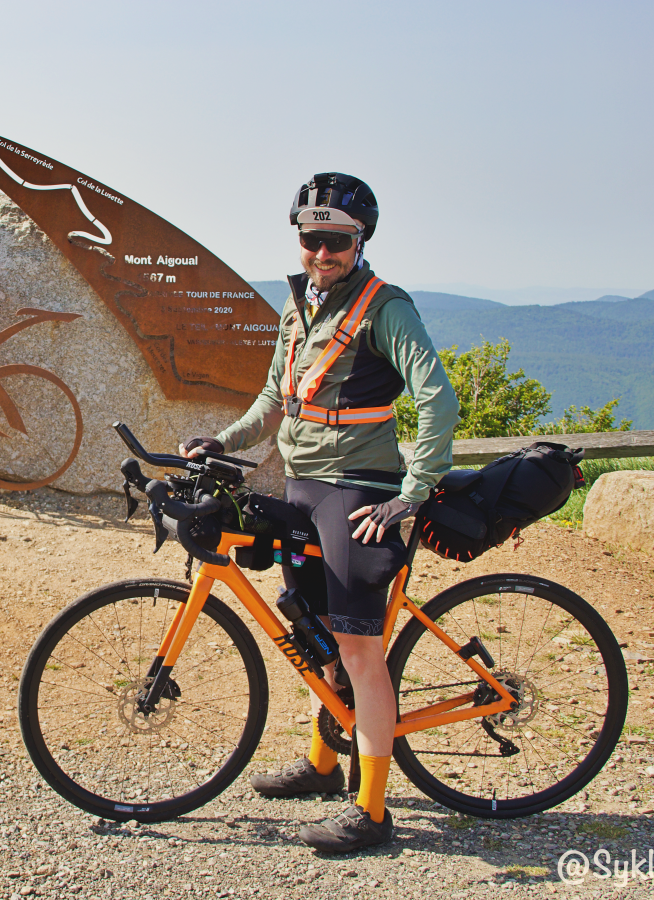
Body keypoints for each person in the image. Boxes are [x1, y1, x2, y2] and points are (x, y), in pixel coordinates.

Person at [181, 173, 459, 853]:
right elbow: (275, 399)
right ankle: (322, 764)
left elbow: (438, 400)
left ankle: (371, 811)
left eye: (337, 240)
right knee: (314, 631)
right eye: (312, 239)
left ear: (359, 240)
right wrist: (225, 438)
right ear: (299, 239)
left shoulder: (386, 309)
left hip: (361, 491)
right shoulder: (298, 305)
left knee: (361, 647)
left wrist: (412, 493)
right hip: (306, 485)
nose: (323, 252)